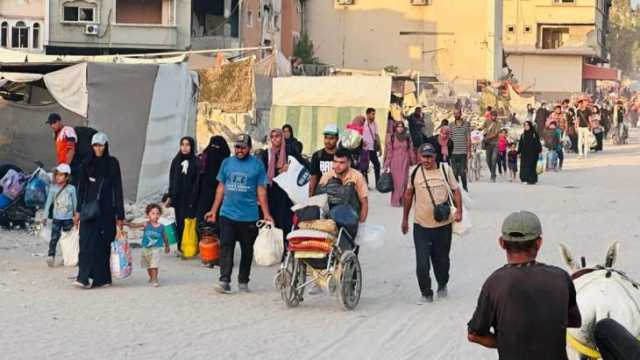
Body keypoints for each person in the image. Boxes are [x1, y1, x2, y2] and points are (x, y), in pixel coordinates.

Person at [467, 211, 581, 360]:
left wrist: (507, 343)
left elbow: (474, 335)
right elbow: (573, 322)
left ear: (501, 243)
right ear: (539, 243)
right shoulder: (561, 277)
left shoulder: (495, 283)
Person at [205, 134, 273, 294]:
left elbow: (261, 191)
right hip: (227, 213)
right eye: (237, 147)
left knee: (247, 250)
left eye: (242, 147)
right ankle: (224, 280)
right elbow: (221, 188)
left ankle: (243, 280)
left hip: (249, 216)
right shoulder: (226, 163)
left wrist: (266, 214)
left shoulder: (257, 165)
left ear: (249, 148)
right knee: (226, 246)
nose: (239, 150)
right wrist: (214, 210)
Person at [402, 143, 463, 304]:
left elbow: (456, 190)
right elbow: (408, 195)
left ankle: (442, 283)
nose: (427, 160)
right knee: (422, 263)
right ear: (419, 157)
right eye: (424, 156)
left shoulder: (445, 170)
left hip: (442, 226)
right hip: (420, 226)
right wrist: (404, 219)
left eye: (429, 156)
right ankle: (426, 292)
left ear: (435, 156)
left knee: (442, 261)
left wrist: (459, 211)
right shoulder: (414, 172)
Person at [75, 132, 125, 289]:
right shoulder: (86, 163)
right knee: (85, 243)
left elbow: (118, 189)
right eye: (95, 145)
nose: (98, 149)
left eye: (101, 145)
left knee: (102, 245)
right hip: (89, 210)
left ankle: (102, 278)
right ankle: (83, 277)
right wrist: (77, 211)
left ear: (106, 146)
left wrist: (120, 215)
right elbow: (81, 188)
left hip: (106, 211)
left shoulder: (112, 164)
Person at [258, 128, 306, 242]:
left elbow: (303, 165)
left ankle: (287, 249)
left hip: (287, 193)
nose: (275, 139)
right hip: (271, 193)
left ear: (282, 137)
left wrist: (290, 168)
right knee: (273, 221)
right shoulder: (266, 154)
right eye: (272, 136)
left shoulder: (290, 150)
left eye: (278, 136)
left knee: (287, 221)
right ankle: (275, 248)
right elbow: (262, 173)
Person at [318, 148, 369, 223]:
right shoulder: (327, 176)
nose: (337, 165)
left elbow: (364, 204)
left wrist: (361, 224)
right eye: (335, 162)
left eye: (342, 162)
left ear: (349, 163)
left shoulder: (357, 177)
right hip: (330, 221)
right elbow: (319, 202)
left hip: (351, 219)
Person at [167, 137, 199, 254]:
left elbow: (197, 182)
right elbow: (172, 178)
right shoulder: (176, 161)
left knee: (190, 222)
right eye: (182, 144)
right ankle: (181, 247)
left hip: (191, 199)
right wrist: (170, 196)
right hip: (179, 199)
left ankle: (191, 246)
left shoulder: (196, 162)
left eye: (188, 145)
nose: (185, 147)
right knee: (180, 222)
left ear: (192, 147)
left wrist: (194, 199)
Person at [125, 204, 170, 287]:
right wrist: (126, 223)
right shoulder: (146, 224)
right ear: (148, 215)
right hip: (146, 249)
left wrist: (167, 246)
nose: (155, 216)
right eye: (153, 213)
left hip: (156, 249)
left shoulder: (162, 227)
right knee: (148, 266)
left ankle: (155, 279)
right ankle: (151, 276)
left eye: (158, 213)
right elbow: (134, 225)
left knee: (154, 265)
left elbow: (165, 237)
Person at [42, 163, 77, 267]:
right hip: (57, 218)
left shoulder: (71, 189)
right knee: (54, 238)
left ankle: (65, 257)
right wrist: (44, 216)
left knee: (66, 239)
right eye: (57, 174)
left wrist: (76, 216)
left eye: (61, 175)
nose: (58, 177)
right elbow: (48, 203)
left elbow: (75, 202)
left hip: (68, 219)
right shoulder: (53, 189)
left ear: (67, 177)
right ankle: (51, 256)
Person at [196, 136, 230, 225]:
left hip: (219, 194)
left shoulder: (227, 163)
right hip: (205, 194)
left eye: (217, 147)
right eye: (213, 146)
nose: (214, 149)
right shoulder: (203, 158)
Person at [383, 121, 416, 207]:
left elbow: (410, 149)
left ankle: (403, 200)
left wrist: (413, 161)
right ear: (395, 128)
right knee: (396, 182)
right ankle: (395, 200)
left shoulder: (407, 137)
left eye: (401, 126)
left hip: (405, 161)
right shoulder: (392, 137)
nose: (400, 128)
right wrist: (386, 164)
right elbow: (389, 151)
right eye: (398, 126)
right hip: (395, 161)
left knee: (404, 181)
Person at [309, 124, 339, 197]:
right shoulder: (317, 156)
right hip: (321, 194)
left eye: (331, 138)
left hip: (339, 195)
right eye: (326, 138)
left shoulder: (342, 156)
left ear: (337, 139)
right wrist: (311, 197)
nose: (328, 141)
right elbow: (313, 178)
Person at [450, 108, 471, 192]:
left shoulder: (466, 125)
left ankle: (465, 188)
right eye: (454, 113)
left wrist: (469, 152)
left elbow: (468, 138)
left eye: (457, 113)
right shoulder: (451, 125)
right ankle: (457, 190)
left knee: (462, 172)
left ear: (460, 114)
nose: (456, 115)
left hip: (463, 152)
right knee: (454, 172)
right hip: (453, 152)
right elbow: (449, 138)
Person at [363, 108, 382, 186]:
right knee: (364, 167)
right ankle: (365, 184)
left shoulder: (375, 124)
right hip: (364, 150)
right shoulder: (363, 123)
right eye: (372, 114)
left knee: (377, 164)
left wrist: (380, 148)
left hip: (372, 149)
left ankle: (378, 183)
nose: (374, 116)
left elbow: (377, 136)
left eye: (374, 114)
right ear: (367, 114)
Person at [483, 110, 500, 182]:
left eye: (495, 116)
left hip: (495, 143)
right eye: (493, 116)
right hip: (488, 144)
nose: (494, 117)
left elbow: (496, 134)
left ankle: (493, 176)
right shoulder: (487, 121)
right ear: (490, 116)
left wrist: (487, 138)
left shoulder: (498, 123)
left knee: (494, 159)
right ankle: (493, 173)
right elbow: (483, 127)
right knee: (488, 160)